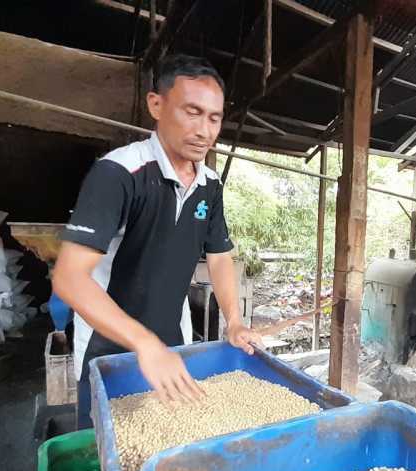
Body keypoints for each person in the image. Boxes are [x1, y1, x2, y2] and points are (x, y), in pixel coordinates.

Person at [53, 54, 261, 429]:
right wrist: (144, 344)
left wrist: (233, 320)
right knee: (102, 455)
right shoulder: (118, 173)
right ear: (157, 105)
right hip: (107, 346)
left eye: (214, 118)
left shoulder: (210, 186)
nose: (204, 130)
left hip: (172, 343)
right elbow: (69, 278)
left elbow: (219, 257)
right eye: (192, 112)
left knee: (168, 445)